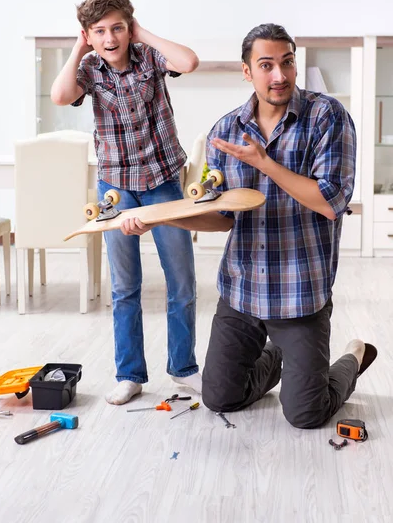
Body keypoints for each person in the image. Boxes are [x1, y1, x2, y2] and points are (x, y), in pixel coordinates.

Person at [122, 23, 377, 428]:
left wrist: (265, 163)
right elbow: (223, 217)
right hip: (242, 291)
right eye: (266, 65)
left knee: (306, 415)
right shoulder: (225, 131)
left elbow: (332, 203)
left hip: (299, 294)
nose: (280, 76)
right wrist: (162, 219)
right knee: (219, 398)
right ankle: (284, 357)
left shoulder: (327, 116)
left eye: (287, 63)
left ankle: (351, 357)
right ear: (247, 72)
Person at [51, 0, 202, 405]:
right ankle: (130, 374)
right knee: (125, 288)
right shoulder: (88, 69)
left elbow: (189, 62)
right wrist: (79, 47)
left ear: (129, 28)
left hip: (164, 182)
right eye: (99, 31)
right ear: (89, 36)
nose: (110, 37)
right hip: (116, 191)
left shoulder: (149, 57)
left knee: (182, 283)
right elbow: (60, 96)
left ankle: (184, 369)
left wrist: (143, 34)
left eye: (118, 27)